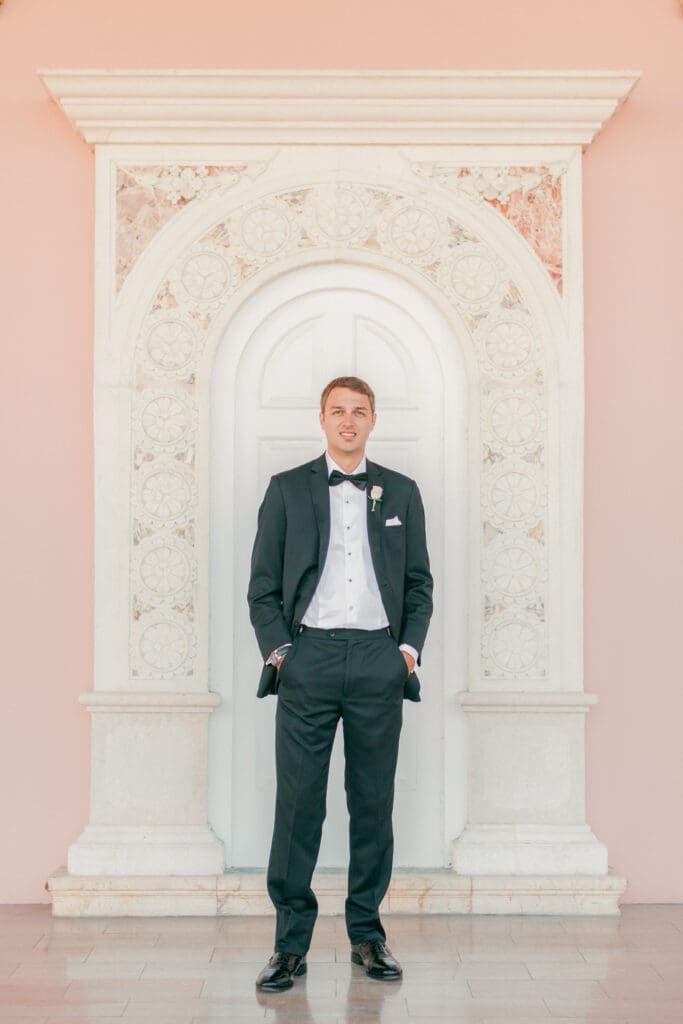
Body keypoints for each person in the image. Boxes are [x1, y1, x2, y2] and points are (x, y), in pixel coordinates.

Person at [247, 375, 433, 991]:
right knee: (299, 805)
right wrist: (284, 654)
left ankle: (368, 936)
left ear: (373, 419)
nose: (347, 420)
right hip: (310, 660)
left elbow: (419, 584)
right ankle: (289, 946)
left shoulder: (401, 491)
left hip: (379, 660)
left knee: (372, 804)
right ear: (322, 419)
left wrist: (405, 653)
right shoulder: (286, 489)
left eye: (358, 410)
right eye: (337, 411)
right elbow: (263, 587)